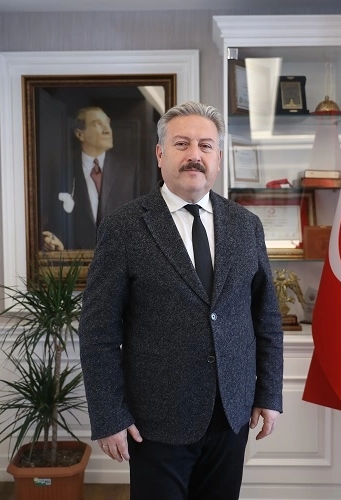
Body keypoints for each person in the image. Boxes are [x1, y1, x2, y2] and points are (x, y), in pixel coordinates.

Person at [78, 101, 284, 500]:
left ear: (218, 158)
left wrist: (269, 393)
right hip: (156, 421)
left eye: (206, 146)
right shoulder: (123, 227)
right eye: (181, 144)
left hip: (231, 414)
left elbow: (267, 319)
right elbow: (98, 330)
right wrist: (108, 415)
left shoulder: (246, 226)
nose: (194, 155)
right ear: (160, 154)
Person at [42, 105, 140, 250]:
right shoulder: (63, 173)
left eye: (107, 123)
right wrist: (56, 243)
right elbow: (56, 225)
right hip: (76, 260)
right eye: (98, 124)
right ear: (80, 134)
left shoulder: (129, 171)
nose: (107, 130)